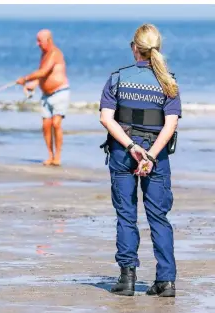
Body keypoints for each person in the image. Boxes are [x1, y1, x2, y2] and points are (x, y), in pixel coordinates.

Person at [99, 24, 181, 297]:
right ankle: (166, 281)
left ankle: (127, 278)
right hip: (156, 155)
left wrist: (132, 146)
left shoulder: (118, 79)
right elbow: (169, 126)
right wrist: (151, 155)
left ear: (135, 48)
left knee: (126, 215)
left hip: (124, 152)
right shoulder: (169, 82)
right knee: (159, 217)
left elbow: (106, 119)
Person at [16, 29, 70, 166]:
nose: (37, 44)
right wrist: (33, 84)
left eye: (40, 41)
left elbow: (44, 71)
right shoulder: (44, 55)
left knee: (56, 123)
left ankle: (57, 156)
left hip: (60, 92)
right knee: (46, 125)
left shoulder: (55, 53)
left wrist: (26, 78)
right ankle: (50, 156)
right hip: (46, 95)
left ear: (49, 40)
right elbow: (44, 75)